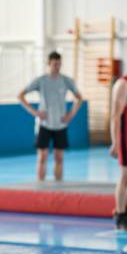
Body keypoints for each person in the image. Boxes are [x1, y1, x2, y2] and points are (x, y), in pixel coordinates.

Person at [18, 51, 83, 181]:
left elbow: (79, 98)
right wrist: (35, 112)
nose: (57, 67)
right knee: (42, 157)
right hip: (45, 124)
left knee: (59, 158)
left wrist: (71, 114)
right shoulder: (41, 81)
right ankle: (40, 186)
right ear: (49, 64)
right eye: (54, 64)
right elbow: (21, 95)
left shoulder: (66, 81)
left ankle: (58, 186)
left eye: (59, 64)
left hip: (60, 124)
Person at [109, 50, 127, 230]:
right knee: (126, 175)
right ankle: (120, 216)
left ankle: (124, 209)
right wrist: (115, 142)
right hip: (126, 136)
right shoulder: (123, 84)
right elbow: (115, 115)